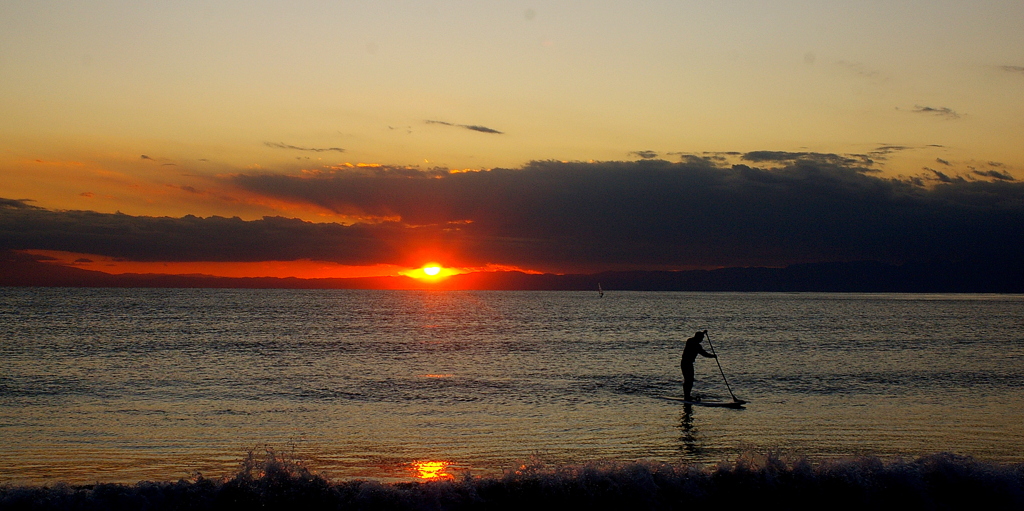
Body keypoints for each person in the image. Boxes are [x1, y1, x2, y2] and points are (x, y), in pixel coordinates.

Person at [681, 330, 716, 401]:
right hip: (685, 363)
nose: (702, 340)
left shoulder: (694, 343)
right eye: (701, 338)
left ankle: (687, 395)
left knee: (690, 380)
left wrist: (703, 332)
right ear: (698, 338)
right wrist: (713, 356)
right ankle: (686, 396)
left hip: (689, 363)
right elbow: (704, 354)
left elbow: (703, 352)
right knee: (688, 380)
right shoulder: (692, 342)